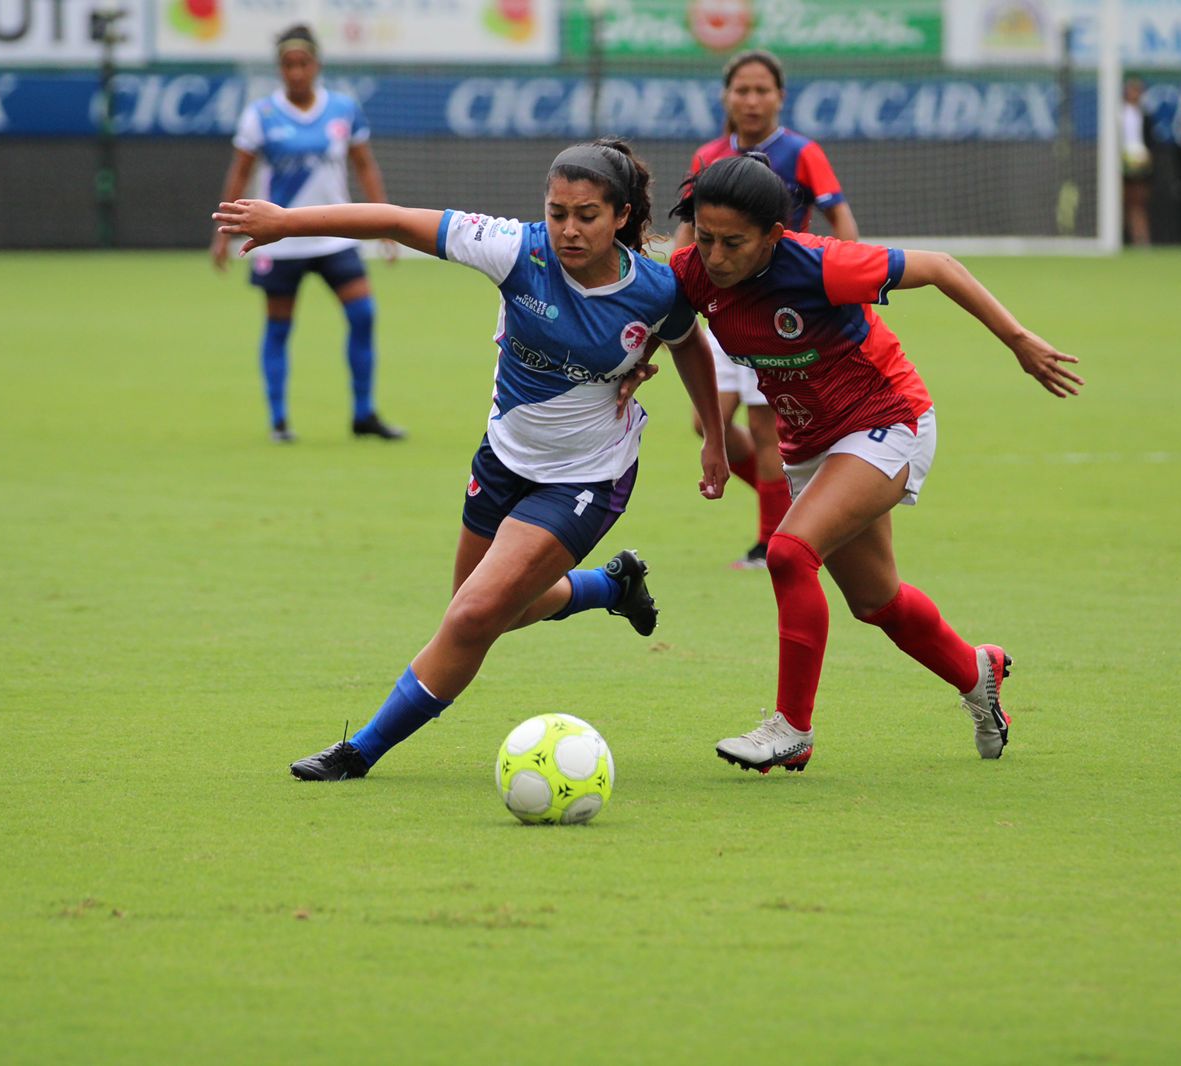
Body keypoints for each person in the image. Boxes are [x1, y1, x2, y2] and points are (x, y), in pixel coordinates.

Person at [213, 139, 730, 781]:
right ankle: (610, 585)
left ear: (622, 215)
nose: (568, 229)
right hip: (503, 459)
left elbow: (689, 345)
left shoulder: (657, 289)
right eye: (557, 211)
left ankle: (359, 752)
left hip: (586, 476)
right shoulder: (516, 247)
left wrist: (714, 433)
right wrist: (287, 222)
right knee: (480, 606)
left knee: (473, 616)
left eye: (587, 215)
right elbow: (399, 219)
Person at [666, 156, 1082, 772]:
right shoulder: (691, 273)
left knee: (788, 552)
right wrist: (707, 432)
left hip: (887, 420)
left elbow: (940, 268)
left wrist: (1018, 340)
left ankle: (791, 729)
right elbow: (674, 336)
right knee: (876, 601)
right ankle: (978, 671)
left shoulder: (819, 264)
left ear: (774, 237)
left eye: (733, 242)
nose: (716, 256)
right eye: (704, 238)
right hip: (810, 443)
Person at [674, 50, 860, 570]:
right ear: (726, 96)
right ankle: (798, 509)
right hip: (720, 309)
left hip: (778, 312)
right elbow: (689, 231)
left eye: (762, 90)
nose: (752, 100)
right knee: (704, 423)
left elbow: (840, 217)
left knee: (764, 430)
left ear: (780, 96)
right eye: (742, 90)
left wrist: (841, 278)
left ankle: (769, 541)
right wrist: (674, 280)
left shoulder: (802, 152)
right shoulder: (708, 155)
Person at [210, 23, 405, 443]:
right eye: (288, 64)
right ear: (280, 68)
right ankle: (279, 421)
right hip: (278, 242)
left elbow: (364, 165)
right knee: (279, 327)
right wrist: (223, 233)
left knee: (363, 315)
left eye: (303, 63)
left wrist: (387, 223)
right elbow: (241, 172)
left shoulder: (343, 109)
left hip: (334, 236)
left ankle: (363, 414)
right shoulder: (260, 114)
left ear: (316, 64)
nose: (296, 72)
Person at [1121, 77, 1155, 247]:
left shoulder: (1145, 115)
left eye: (1138, 90)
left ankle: (1141, 239)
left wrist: (1146, 158)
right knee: (1123, 202)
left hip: (1141, 164)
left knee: (1139, 203)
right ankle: (1121, 239)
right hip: (1121, 164)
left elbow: (1150, 141)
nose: (1135, 93)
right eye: (1132, 89)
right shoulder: (1118, 114)